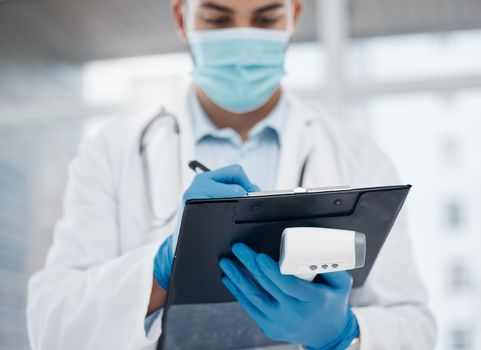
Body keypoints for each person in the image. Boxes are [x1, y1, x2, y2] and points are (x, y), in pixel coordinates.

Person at [27, 0, 436, 349]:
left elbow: (416, 326)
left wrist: (344, 334)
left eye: (265, 19)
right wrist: (157, 271)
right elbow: (51, 321)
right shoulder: (113, 152)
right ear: (181, 18)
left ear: (293, 14)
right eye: (218, 20)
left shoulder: (357, 155)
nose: (243, 38)